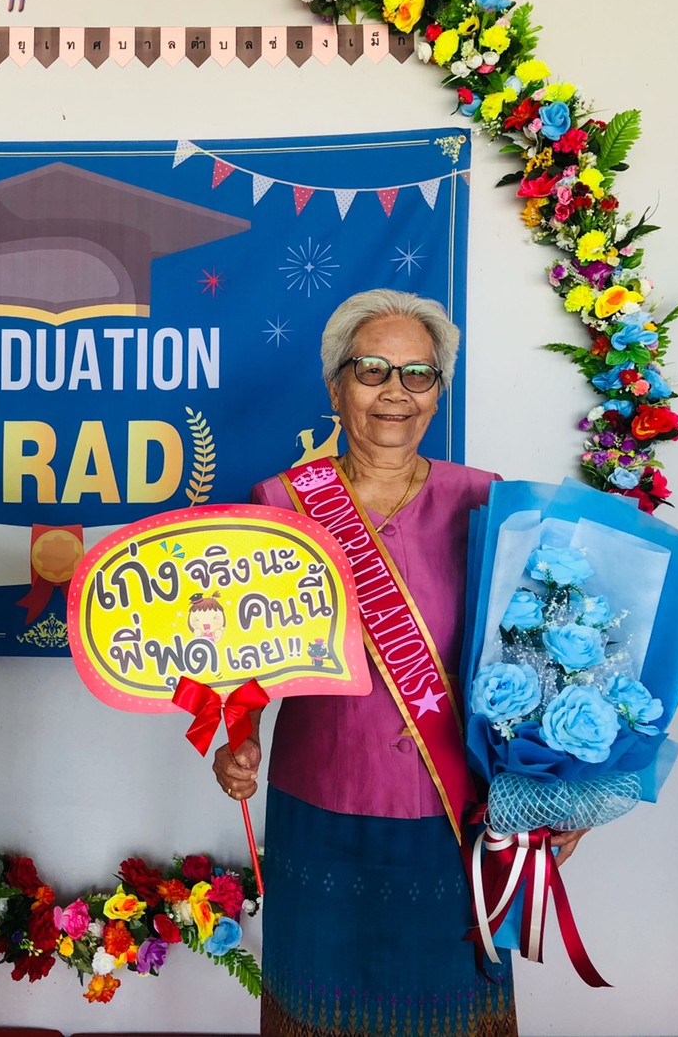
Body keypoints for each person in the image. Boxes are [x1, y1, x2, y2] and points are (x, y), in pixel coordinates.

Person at [213, 289, 587, 1037]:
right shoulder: (281, 502)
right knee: (318, 1010)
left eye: (417, 374)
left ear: (437, 392)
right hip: (319, 802)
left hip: (454, 814)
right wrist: (239, 738)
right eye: (372, 370)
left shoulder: (486, 499)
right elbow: (244, 660)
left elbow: (537, 659)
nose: (395, 392)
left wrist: (561, 790)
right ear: (335, 387)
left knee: (451, 1007)